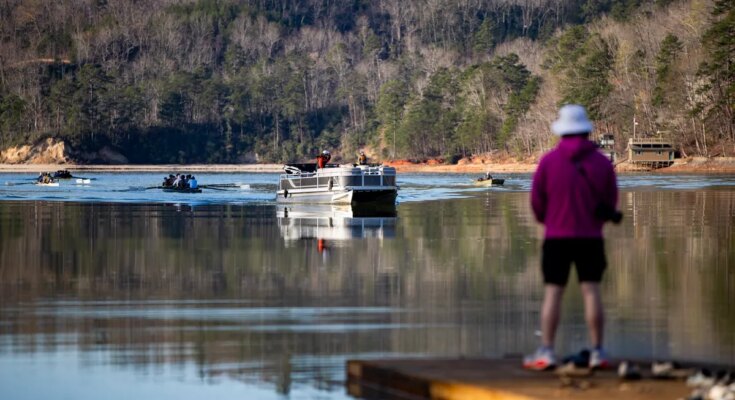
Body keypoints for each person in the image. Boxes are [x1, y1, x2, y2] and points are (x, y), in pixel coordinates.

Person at [524, 104, 619, 371]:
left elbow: (537, 203)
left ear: (562, 131)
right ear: (586, 131)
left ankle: (547, 352)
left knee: (553, 292)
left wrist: (550, 222)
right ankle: (598, 352)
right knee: (591, 291)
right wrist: (594, 224)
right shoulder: (602, 163)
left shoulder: (548, 162)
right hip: (591, 237)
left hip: (556, 237)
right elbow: (610, 201)